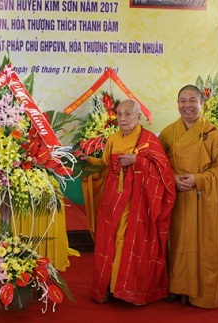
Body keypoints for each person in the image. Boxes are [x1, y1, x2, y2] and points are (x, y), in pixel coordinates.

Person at [77, 99, 176, 305]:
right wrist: (91, 161)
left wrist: (137, 161)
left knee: (127, 242)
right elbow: (106, 166)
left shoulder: (148, 140)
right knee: (108, 242)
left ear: (138, 117)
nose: (122, 118)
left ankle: (126, 289)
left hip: (137, 203)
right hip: (112, 200)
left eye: (128, 114)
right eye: (119, 114)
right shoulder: (113, 139)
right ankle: (107, 286)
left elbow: (163, 170)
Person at [158, 85, 218, 308]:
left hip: (203, 199)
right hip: (177, 200)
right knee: (178, 241)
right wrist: (172, 176)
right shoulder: (168, 133)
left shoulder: (213, 134)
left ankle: (202, 292)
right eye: (183, 100)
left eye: (193, 100)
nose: (187, 105)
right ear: (177, 103)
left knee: (205, 244)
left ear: (202, 104)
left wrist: (198, 179)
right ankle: (176, 287)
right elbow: (157, 165)